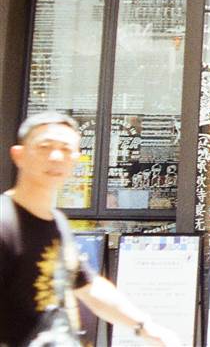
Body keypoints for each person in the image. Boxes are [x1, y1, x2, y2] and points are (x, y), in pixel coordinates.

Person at [1, 111, 181, 347]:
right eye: (44, 147)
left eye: (66, 149)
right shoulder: (4, 223)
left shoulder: (57, 224)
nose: (56, 156)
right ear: (19, 155)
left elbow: (88, 286)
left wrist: (146, 328)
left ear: (76, 160)